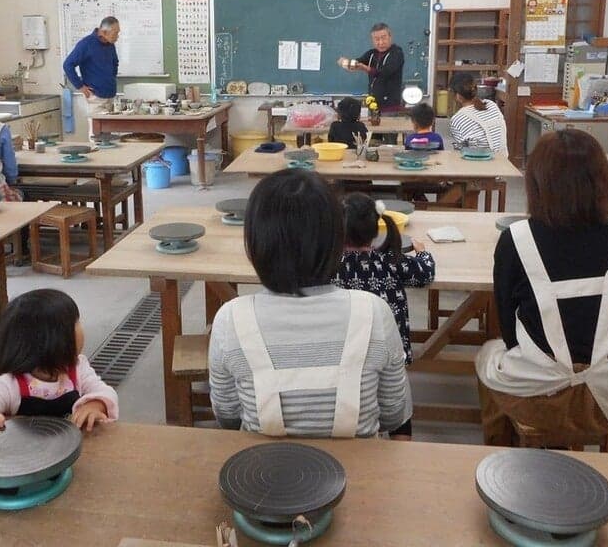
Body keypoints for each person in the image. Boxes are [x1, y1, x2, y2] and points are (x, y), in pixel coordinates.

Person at [209, 169, 412, 438]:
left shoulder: (230, 319)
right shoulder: (374, 312)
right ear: (337, 241)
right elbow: (393, 414)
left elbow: (227, 415)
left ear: (254, 245)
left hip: (262, 463)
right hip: (360, 462)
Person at [475, 130, 608, 446]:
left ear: (538, 184)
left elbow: (507, 326)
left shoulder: (516, 238)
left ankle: (499, 450)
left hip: (538, 395)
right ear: (602, 182)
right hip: (606, 393)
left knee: (487, 354)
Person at [0, 289, 119, 461]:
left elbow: (106, 392)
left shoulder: (77, 369)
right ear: (54, 341)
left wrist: (95, 405)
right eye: (76, 322)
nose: (81, 328)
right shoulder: (10, 385)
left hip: (75, 455)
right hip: (25, 461)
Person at [333, 193, 436, 440]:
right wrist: (423, 253)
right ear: (375, 229)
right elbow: (425, 273)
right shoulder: (390, 260)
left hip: (343, 355)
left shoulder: (328, 265)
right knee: (398, 399)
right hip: (390, 354)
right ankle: (402, 444)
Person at [338, 22, 404, 112]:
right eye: (376, 39)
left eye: (383, 38)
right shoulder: (372, 54)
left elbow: (385, 72)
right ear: (372, 40)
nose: (380, 42)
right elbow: (357, 62)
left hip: (390, 107)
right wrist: (346, 63)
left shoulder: (397, 53)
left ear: (390, 37)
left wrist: (366, 68)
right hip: (373, 105)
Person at [63, 16, 120, 113]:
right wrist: (80, 86)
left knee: (111, 123)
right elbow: (68, 65)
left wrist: (111, 79)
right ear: (104, 32)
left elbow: (115, 63)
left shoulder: (110, 44)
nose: (117, 36)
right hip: (95, 98)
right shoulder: (86, 44)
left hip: (111, 96)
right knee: (97, 123)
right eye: (115, 33)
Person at [447, 72, 508, 155]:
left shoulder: (457, 119)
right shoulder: (492, 105)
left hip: (478, 162)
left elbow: (462, 152)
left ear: (458, 96)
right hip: (503, 159)